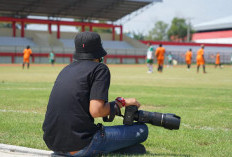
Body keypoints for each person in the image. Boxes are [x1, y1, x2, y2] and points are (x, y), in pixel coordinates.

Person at [42, 32, 148, 157]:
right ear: (99, 53)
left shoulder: (66, 69)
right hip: (82, 144)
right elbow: (96, 111)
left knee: (136, 149)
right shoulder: (100, 69)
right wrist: (122, 103)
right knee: (142, 130)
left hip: (54, 144)